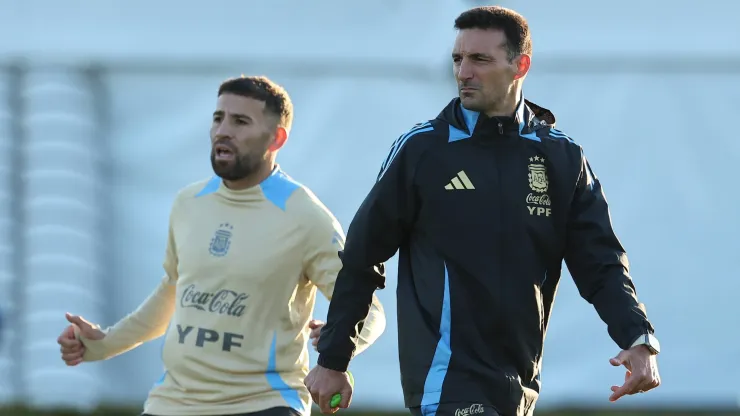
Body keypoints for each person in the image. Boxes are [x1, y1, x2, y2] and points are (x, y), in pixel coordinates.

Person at [305, 6, 661, 416]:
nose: (463, 72)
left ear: (519, 65)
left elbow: (601, 264)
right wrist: (334, 359)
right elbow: (363, 256)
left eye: (479, 59)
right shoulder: (423, 150)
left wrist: (637, 337)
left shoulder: (561, 157)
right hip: (446, 376)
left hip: (520, 381)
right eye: (458, 59)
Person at [56, 75, 386, 416]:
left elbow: (370, 310)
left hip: (263, 404)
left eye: (240, 121)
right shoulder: (189, 202)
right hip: (172, 403)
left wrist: (339, 347)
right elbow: (171, 293)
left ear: (277, 138)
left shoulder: (305, 216)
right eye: (218, 118)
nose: (223, 131)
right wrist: (103, 343)